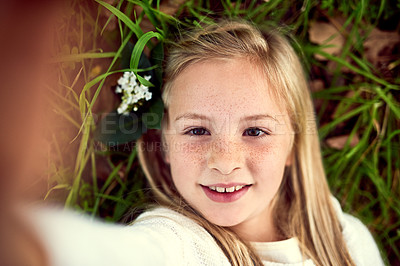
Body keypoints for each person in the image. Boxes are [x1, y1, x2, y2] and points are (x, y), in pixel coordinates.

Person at [29, 19, 384, 266]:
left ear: (292, 144)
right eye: (197, 131)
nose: (224, 162)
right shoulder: (180, 244)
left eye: (255, 131)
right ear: (164, 142)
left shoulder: (348, 241)